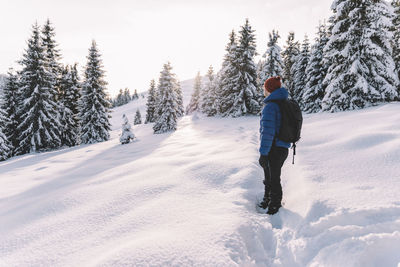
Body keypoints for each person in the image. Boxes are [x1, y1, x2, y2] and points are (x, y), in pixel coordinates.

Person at [258, 76, 290, 215]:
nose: (264, 90)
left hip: (273, 148)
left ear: (269, 89)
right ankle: (268, 199)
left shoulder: (270, 106)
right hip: (283, 147)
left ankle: (275, 206)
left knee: (273, 177)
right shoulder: (283, 103)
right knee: (270, 175)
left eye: (265, 87)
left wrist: (263, 153)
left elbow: (267, 132)